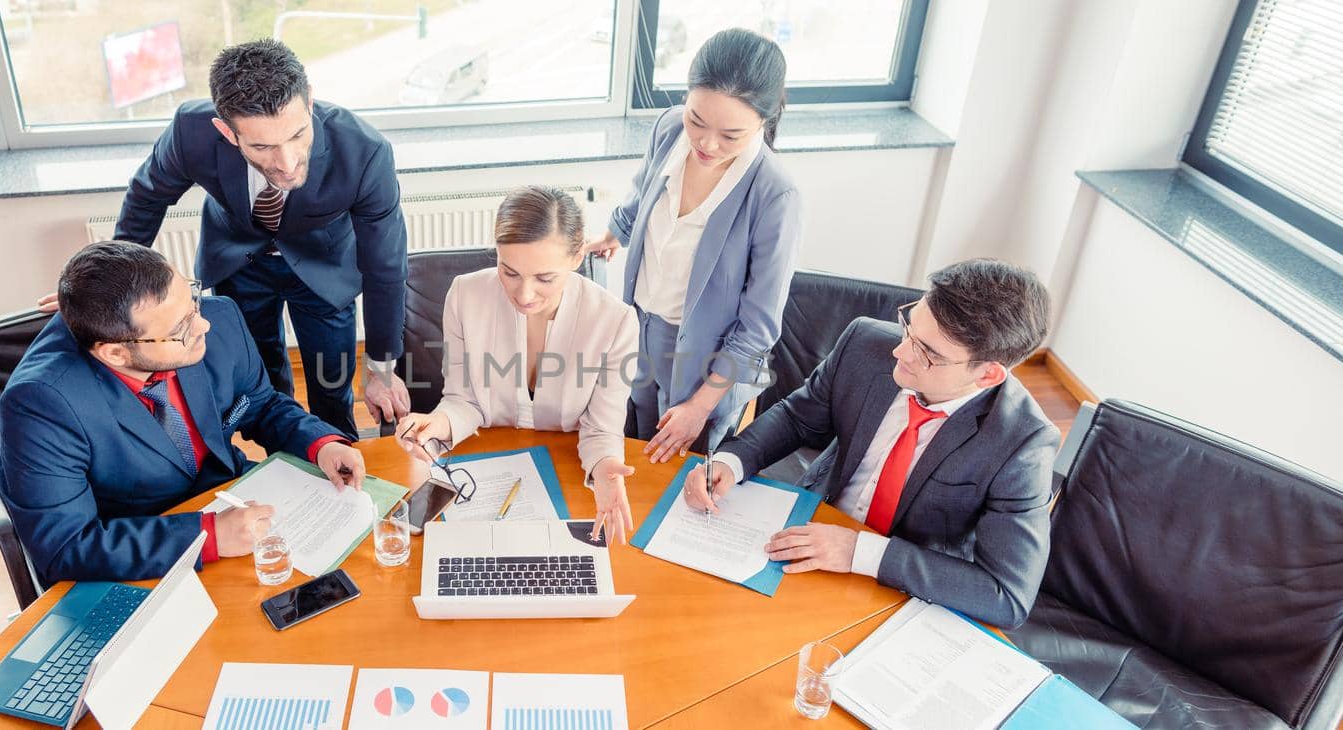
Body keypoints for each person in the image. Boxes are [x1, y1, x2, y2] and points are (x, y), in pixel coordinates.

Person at [685, 259, 1059, 628]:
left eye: (928, 352)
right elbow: (797, 417)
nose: (901, 352)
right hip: (807, 530)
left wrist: (857, 552)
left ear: (988, 374)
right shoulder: (864, 344)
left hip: (901, 587)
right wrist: (731, 462)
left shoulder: (1023, 443)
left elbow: (1006, 595)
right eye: (909, 328)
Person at [72, 38, 411, 440]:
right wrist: (106, 288)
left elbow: (386, 265)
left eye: (298, 135)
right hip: (238, 263)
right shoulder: (191, 131)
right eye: (263, 146)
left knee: (331, 383)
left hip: (325, 270)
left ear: (310, 102)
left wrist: (382, 368)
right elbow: (148, 198)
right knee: (259, 382)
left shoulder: (364, 151)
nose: (286, 163)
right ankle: (283, 457)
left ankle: (337, 455)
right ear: (226, 131)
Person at [0, 242, 369, 584]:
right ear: (115, 353)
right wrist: (207, 534)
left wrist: (320, 444)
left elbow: (263, 405)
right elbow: (65, 547)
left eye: (192, 303)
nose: (203, 324)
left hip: (235, 503)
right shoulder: (41, 403)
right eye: (180, 329)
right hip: (146, 555)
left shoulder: (219, 318)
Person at [586, 28, 800, 464]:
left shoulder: (775, 194)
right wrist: (614, 234)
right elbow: (642, 191)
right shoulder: (668, 129)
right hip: (638, 324)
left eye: (730, 135)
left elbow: (758, 326)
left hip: (706, 358)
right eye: (697, 120)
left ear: (764, 120)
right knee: (632, 440)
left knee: (681, 466)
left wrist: (701, 406)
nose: (706, 143)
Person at [394, 186, 640, 544]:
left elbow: (601, 430)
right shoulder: (465, 295)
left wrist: (604, 469)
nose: (524, 295)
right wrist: (437, 423)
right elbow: (465, 400)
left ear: (576, 257)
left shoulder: (615, 322)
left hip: (567, 469)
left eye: (545, 278)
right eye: (509, 272)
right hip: (485, 469)